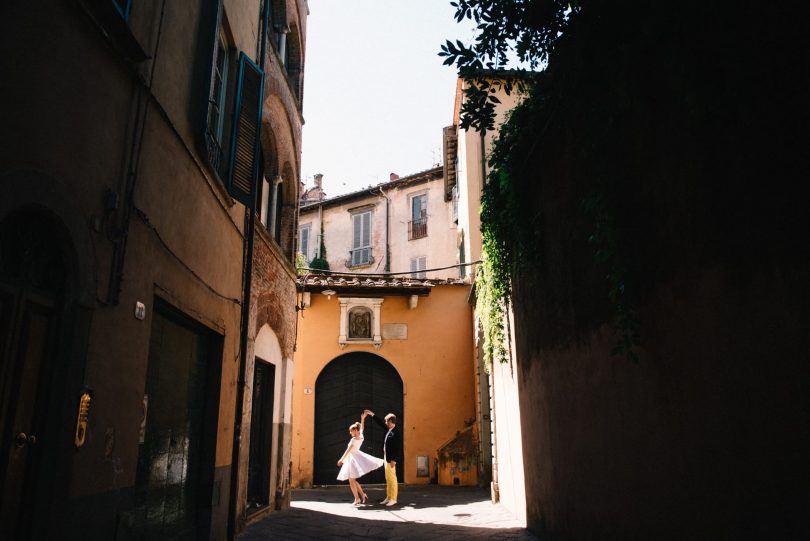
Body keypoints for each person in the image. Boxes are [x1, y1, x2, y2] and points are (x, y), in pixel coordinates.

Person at [337, 411, 384, 505]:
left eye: (351, 431)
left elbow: (348, 451)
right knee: (353, 480)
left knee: (351, 480)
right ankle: (362, 495)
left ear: (355, 431)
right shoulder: (361, 436)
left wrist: (341, 460)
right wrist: (363, 419)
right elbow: (362, 427)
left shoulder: (353, 440)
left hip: (353, 459)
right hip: (355, 458)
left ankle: (357, 498)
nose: (350, 432)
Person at [364, 409, 399, 506]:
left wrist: (394, 460)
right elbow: (379, 423)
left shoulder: (396, 432)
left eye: (386, 421)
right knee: (388, 478)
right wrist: (372, 414)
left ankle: (393, 498)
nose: (385, 423)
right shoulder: (388, 429)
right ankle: (388, 497)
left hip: (391, 458)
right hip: (386, 456)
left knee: (392, 478)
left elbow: (397, 447)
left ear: (391, 421)